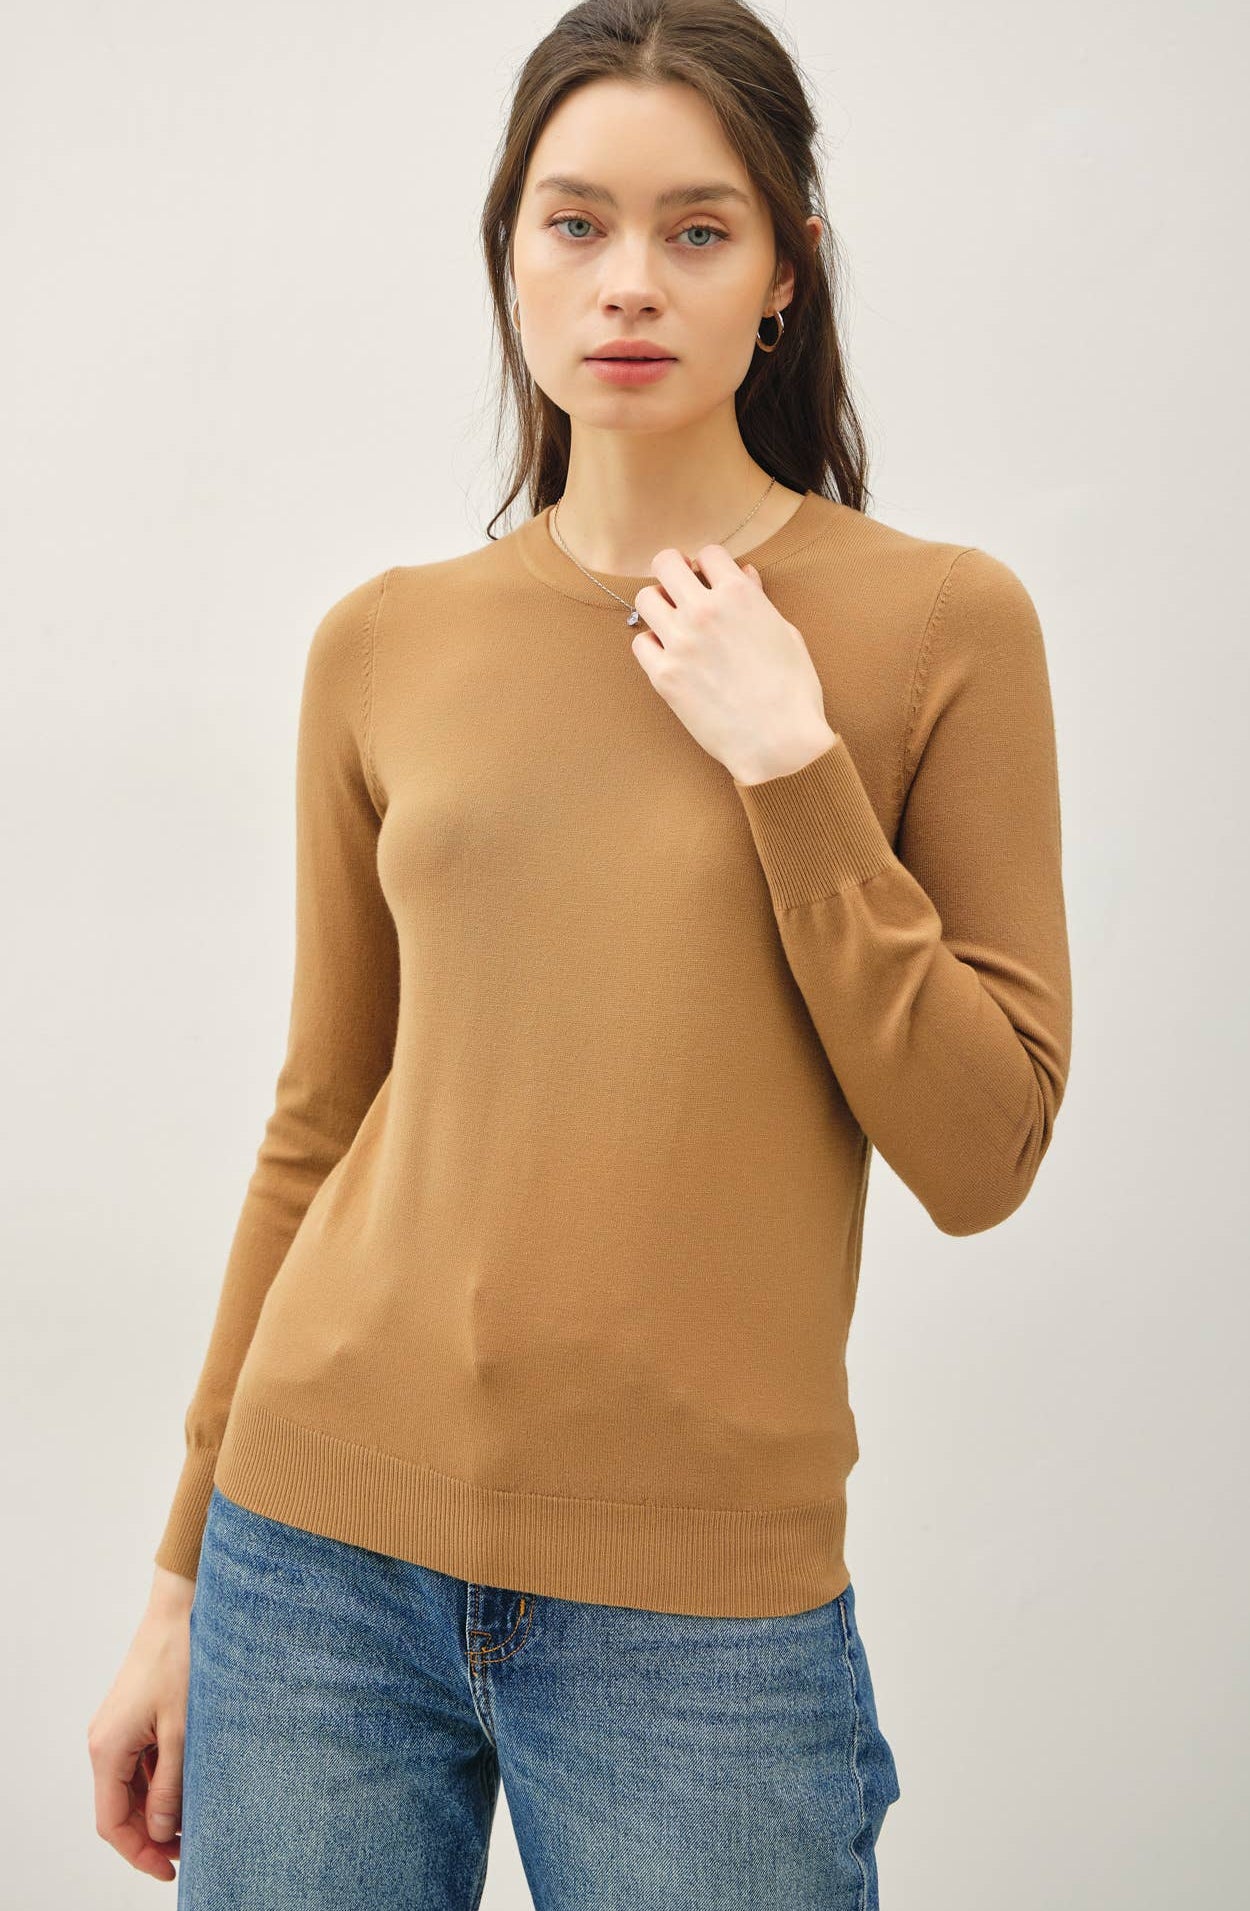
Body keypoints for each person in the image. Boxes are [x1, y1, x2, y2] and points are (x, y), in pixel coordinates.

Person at [87, 1, 1072, 1903]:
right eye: (575, 223)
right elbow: (322, 1116)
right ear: (510, 258)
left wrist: (789, 764)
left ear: (784, 274)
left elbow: (984, 1155)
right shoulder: (385, 641)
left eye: (698, 229)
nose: (630, 279)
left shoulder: (941, 627)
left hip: (695, 1624)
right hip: (314, 1562)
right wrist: (179, 1584)